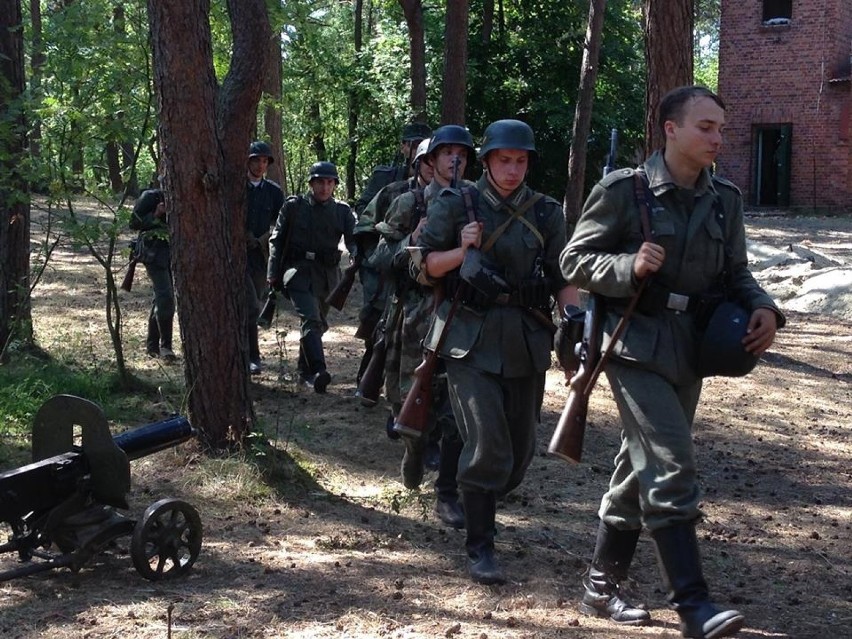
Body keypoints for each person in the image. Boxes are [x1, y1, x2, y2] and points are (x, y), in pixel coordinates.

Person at [560, 85, 785, 638]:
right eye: (705, 126)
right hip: (632, 344)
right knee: (670, 462)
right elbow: (574, 259)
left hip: (693, 347)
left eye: (721, 129)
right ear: (671, 129)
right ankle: (693, 605)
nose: (717, 138)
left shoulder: (723, 199)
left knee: (640, 467)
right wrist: (628, 265)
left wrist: (764, 308)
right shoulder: (624, 191)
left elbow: (736, 272)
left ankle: (600, 583)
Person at [416, 119, 578, 584]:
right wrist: (460, 251)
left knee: (519, 454)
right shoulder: (455, 203)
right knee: (486, 443)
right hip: (470, 339)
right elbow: (424, 266)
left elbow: (562, 275)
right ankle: (480, 546)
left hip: (528, 338)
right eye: (504, 160)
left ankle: (475, 495)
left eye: (520, 161)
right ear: (486, 161)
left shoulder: (545, 212)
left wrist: (575, 319)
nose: (512, 169)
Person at [375, 125, 475, 528]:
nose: (455, 160)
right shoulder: (409, 202)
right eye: (446, 153)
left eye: (462, 154)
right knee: (410, 402)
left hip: (462, 317)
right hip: (415, 316)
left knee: (457, 410)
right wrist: (408, 243)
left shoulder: (475, 203)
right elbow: (378, 258)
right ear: (430, 161)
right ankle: (414, 452)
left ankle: (447, 492)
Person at [352, 122, 432, 392]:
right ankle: (369, 382)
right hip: (385, 269)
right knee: (378, 325)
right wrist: (368, 260)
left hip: (419, 280)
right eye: (412, 143)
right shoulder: (390, 186)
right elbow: (365, 223)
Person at [267, 161, 356, 393]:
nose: (324, 188)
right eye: (319, 182)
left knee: (318, 324)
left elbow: (353, 239)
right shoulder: (294, 207)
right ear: (311, 183)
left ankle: (304, 372)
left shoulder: (342, 211)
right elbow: (276, 240)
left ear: (335, 185)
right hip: (297, 272)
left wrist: (356, 256)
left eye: (329, 183)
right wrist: (272, 273)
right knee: (311, 319)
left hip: (327, 276)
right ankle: (319, 369)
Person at [245, 141, 284, 375]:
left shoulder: (273, 192)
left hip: (261, 257)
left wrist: (264, 238)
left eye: (264, 161)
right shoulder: (236, 188)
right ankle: (252, 356)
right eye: (256, 160)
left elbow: (281, 222)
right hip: (236, 257)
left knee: (254, 305)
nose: (260, 165)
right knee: (249, 306)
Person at [130, 183, 175, 362]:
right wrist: (156, 214)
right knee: (166, 298)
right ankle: (166, 346)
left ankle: (152, 346)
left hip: (175, 256)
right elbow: (133, 223)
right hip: (154, 255)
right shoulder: (150, 197)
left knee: (161, 298)